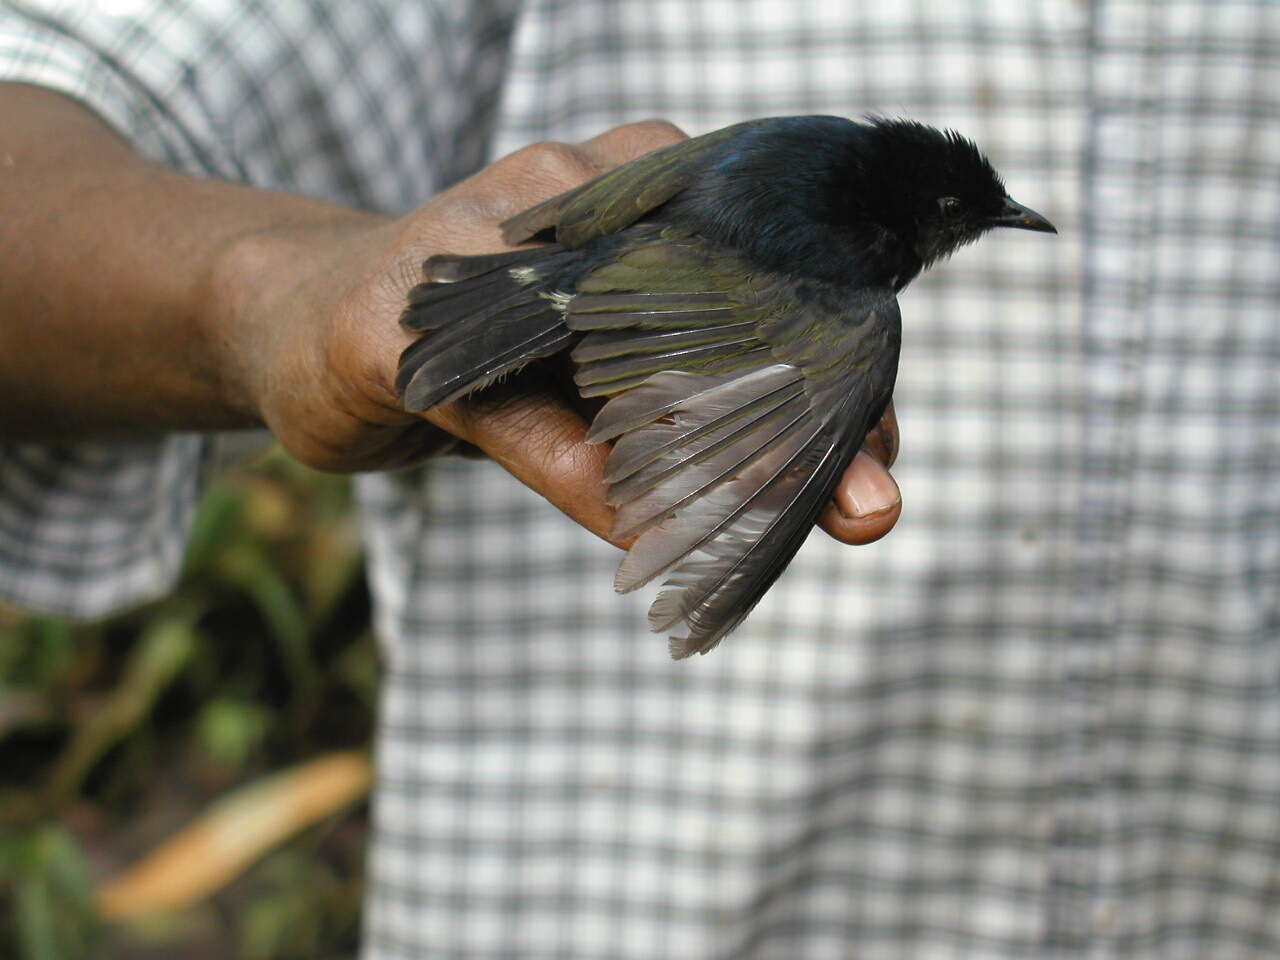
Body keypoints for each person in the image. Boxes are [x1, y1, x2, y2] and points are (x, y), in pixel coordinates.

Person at [1, 2, 1277, 958]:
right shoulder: (848, 284)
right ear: (917, 213)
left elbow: (671, 215)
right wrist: (271, 289)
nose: (978, 230)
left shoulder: (817, 152)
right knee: (841, 346)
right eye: (968, 215)